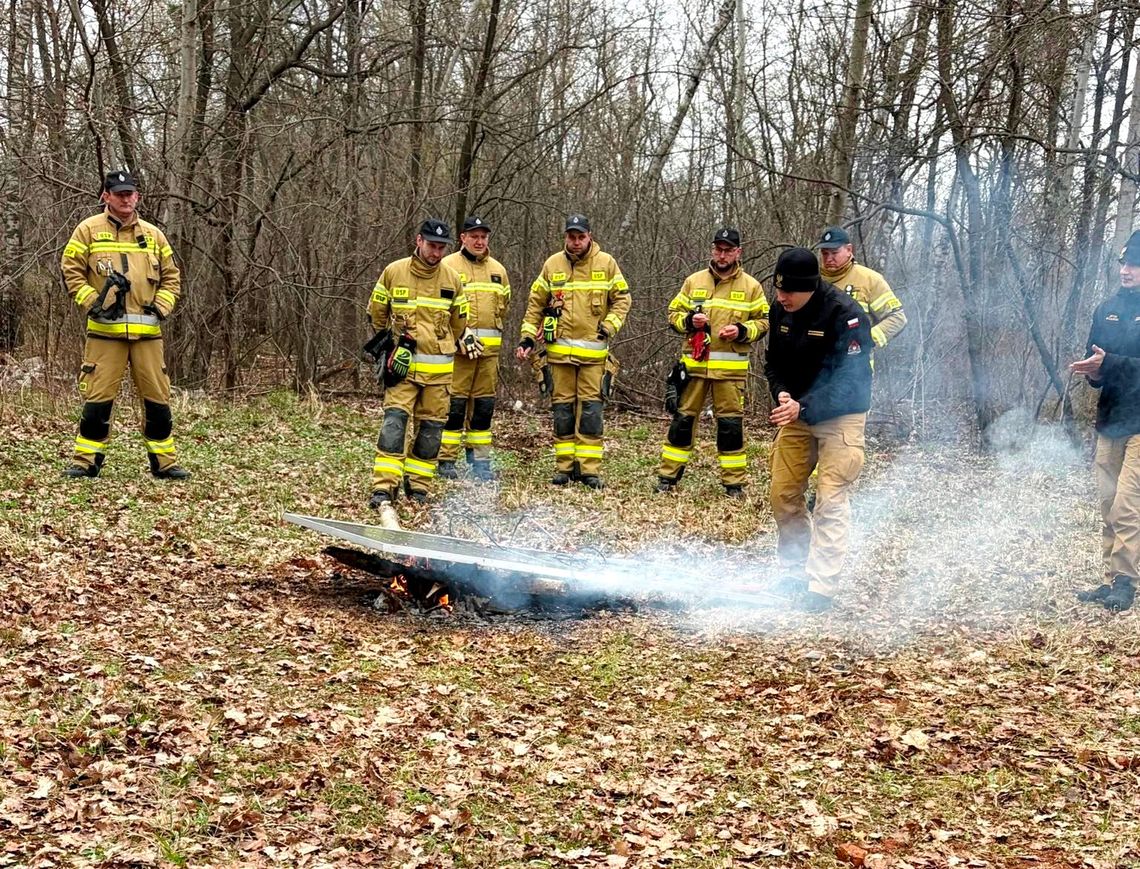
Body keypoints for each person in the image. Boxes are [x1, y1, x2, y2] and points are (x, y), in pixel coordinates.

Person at [59, 169, 189, 480]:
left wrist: (162, 306)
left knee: (158, 400)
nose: (126, 198)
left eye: (130, 193)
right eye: (119, 194)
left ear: (137, 196)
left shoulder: (154, 235)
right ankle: (86, 461)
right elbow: (71, 271)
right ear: (106, 196)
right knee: (97, 399)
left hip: (148, 336)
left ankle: (164, 463)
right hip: (105, 334)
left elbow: (172, 277)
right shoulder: (87, 230)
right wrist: (94, 302)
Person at [765, 247, 873, 612]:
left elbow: (851, 380)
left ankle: (821, 586)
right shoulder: (780, 308)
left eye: (790, 291)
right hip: (796, 412)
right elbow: (773, 362)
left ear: (811, 286)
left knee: (829, 500)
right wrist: (781, 392)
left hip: (841, 415)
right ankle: (794, 571)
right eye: (779, 289)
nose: (782, 297)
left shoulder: (847, 315)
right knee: (783, 494)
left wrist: (805, 405)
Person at [366, 219, 477, 506]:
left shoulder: (452, 279)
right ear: (419, 241)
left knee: (430, 433)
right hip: (402, 370)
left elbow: (459, 323)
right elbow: (377, 313)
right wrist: (387, 349)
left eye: (441, 247)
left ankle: (418, 487)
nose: (436, 253)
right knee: (394, 426)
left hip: (439, 376)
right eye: (431, 245)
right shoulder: (394, 272)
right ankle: (383, 488)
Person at [516, 214, 631, 489]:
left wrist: (610, 325)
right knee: (563, 412)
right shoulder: (552, 265)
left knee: (591, 413)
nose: (576, 242)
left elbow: (623, 299)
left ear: (589, 236)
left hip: (593, 358)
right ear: (565, 237)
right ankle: (564, 467)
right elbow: (535, 305)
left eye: (581, 237)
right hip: (559, 357)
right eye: (571, 236)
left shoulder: (606, 263)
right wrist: (527, 338)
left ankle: (589, 470)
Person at [656, 226, 769, 496]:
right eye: (718, 249)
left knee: (730, 427)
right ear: (712, 250)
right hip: (693, 369)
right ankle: (667, 478)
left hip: (730, 373)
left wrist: (741, 331)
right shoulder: (693, 281)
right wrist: (688, 322)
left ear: (738, 252)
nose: (722, 254)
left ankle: (733, 483)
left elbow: (764, 322)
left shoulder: (751, 286)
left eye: (728, 250)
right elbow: (672, 314)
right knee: (682, 422)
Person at [1071, 230, 1140, 612]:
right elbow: (1095, 357)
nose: (1126, 270)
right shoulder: (1106, 308)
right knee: (1108, 500)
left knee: (1129, 502)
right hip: (1111, 417)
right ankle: (1112, 578)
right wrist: (1092, 372)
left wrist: (1108, 364)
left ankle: (1127, 582)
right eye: (1123, 263)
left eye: (1134, 264)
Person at [438, 216, 510, 481]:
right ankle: (445, 459)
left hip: (488, 357)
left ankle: (479, 461)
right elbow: (438, 310)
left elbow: (504, 307)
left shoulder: (498, 270)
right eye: (474, 236)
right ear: (463, 238)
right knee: (454, 407)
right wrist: (458, 336)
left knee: (483, 409)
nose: (479, 241)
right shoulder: (448, 266)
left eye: (483, 237)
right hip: (458, 355)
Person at [817, 226, 906, 351]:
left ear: (849, 250)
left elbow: (897, 318)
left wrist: (866, 339)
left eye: (834, 252)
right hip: (818, 366)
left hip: (856, 366)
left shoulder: (870, 280)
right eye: (824, 253)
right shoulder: (813, 281)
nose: (828, 258)